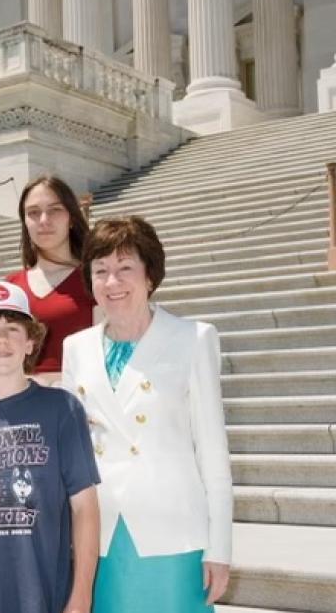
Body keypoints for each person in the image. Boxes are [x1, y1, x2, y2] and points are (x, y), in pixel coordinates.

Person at [61, 216, 232, 613]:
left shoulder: (193, 337)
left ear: (150, 276)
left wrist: (220, 546)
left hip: (172, 532)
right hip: (99, 533)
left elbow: (213, 452)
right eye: (100, 271)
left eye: (125, 269)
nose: (112, 282)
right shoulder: (76, 347)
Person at [0, 280, 100, 613]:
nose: (1, 340)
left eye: (13, 329)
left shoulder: (62, 409)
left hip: (41, 594)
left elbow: (85, 508)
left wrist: (81, 597)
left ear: (30, 342)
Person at [6, 176, 94, 384]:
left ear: (71, 218)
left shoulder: (95, 279)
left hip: (78, 403)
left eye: (55, 210)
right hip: (21, 406)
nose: (44, 220)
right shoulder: (10, 287)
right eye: (33, 213)